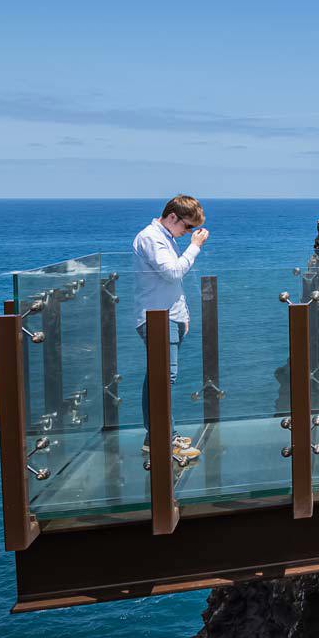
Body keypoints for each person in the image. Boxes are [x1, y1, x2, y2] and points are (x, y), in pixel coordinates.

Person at [133, 195, 208, 460]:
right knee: (164, 378)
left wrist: (182, 315)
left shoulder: (166, 238)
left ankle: (159, 435)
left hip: (169, 317)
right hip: (156, 319)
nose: (188, 233)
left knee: (159, 376)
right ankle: (161, 440)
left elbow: (171, 285)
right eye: (187, 227)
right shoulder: (151, 237)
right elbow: (173, 272)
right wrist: (195, 246)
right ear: (172, 217)